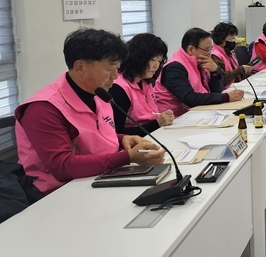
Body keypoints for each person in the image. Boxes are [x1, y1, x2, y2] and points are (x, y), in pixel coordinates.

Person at [14, 29, 165, 195]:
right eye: (110, 68)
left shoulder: (97, 93)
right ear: (80, 67)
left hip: (100, 176)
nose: (115, 76)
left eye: (117, 68)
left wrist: (123, 139)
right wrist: (127, 157)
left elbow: (93, 135)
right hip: (59, 192)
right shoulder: (43, 108)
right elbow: (63, 166)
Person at [155, 28, 245, 116]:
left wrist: (215, 72)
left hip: (196, 112)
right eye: (207, 50)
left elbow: (216, 91)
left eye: (211, 49)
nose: (210, 54)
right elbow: (190, 98)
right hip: (175, 117)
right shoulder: (174, 68)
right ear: (191, 49)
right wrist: (226, 97)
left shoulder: (201, 61)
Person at [109, 33, 174, 136]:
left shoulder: (145, 81)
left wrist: (162, 118)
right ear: (139, 58)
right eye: (153, 60)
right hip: (135, 141)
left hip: (154, 134)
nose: (156, 65)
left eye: (160, 60)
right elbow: (118, 132)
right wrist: (157, 123)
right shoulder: (119, 88)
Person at [210, 22, 251, 89]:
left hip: (236, 86)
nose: (233, 42)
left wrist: (244, 71)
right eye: (230, 39)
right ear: (221, 39)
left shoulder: (227, 52)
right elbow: (222, 79)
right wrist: (239, 70)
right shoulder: (215, 55)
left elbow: (234, 73)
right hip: (226, 90)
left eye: (234, 39)